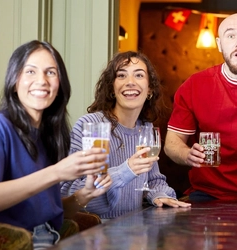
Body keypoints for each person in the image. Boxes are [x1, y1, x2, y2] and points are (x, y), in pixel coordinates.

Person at [0, 40, 112, 249]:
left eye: (51, 72)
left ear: (60, 84)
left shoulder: (49, 136)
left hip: (50, 239)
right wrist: (56, 173)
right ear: (14, 80)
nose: (42, 80)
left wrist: (83, 195)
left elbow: (47, 214)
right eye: (30, 72)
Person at [61, 51, 191, 220]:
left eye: (139, 75)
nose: (130, 82)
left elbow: (153, 181)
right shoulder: (92, 127)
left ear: (150, 89)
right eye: (121, 75)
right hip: (96, 233)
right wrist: (125, 170)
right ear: (112, 88)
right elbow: (70, 192)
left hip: (135, 232)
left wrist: (159, 195)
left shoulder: (145, 129)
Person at [164, 13, 237, 201]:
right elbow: (172, 143)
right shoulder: (195, 86)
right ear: (220, 44)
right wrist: (188, 154)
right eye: (231, 35)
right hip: (209, 194)